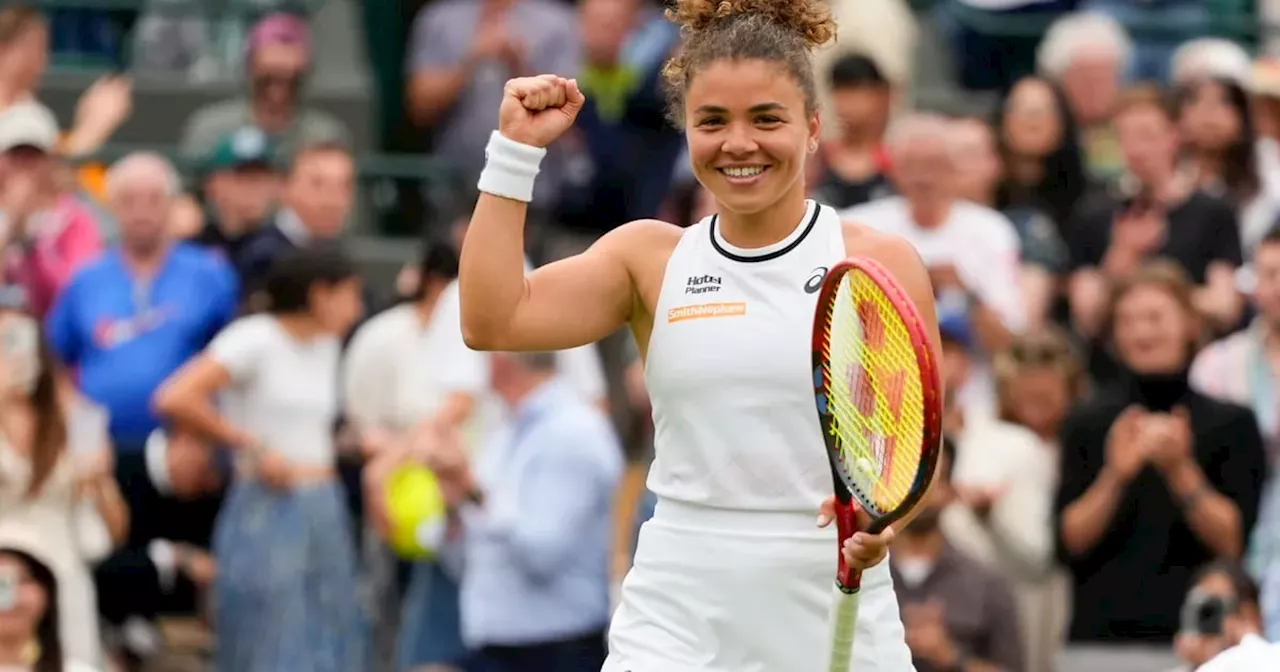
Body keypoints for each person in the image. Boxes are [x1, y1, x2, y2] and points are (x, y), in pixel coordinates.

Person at [455, 0, 941, 669]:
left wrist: (884, 528)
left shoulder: (879, 259)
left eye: (766, 118)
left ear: (813, 128)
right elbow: (491, 320)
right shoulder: (648, 257)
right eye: (711, 121)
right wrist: (513, 152)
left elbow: (913, 454)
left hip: (829, 595)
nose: (738, 142)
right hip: (677, 607)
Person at [152, 243, 366, 672]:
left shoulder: (327, 347)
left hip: (324, 502)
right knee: (268, 636)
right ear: (321, 294)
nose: (356, 308)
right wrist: (249, 445)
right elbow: (176, 396)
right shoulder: (254, 337)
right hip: (268, 506)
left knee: (333, 628)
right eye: (350, 294)